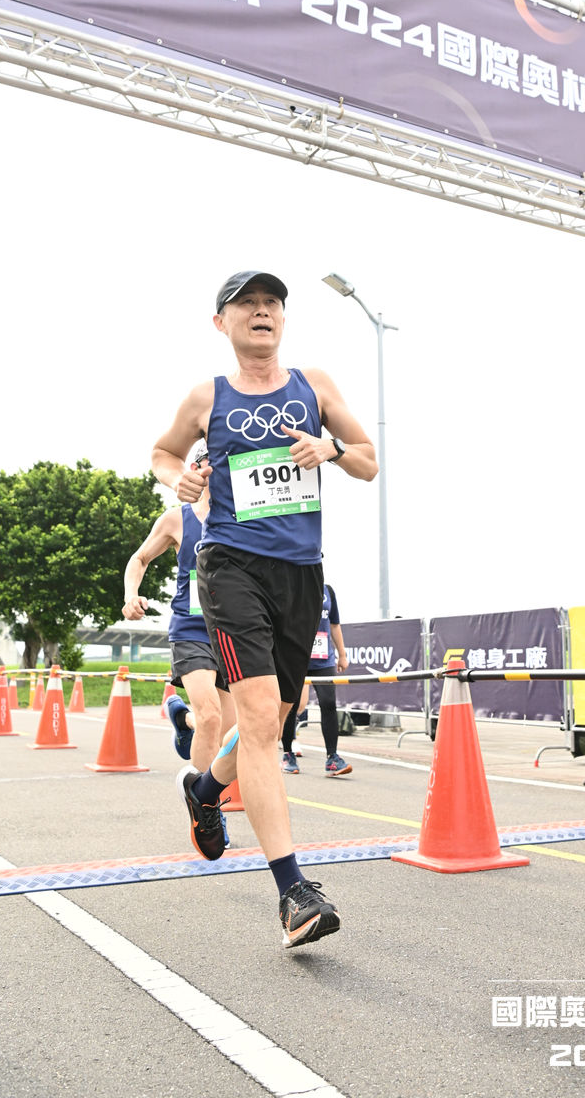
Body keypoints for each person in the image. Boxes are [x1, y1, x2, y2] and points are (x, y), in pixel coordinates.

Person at [151, 270, 377, 949]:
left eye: (271, 302)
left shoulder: (315, 386)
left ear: (282, 318)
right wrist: (179, 477)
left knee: (275, 721)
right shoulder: (207, 397)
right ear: (221, 322)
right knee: (254, 720)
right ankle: (293, 892)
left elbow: (369, 461)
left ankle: (204, 790)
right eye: (246, 303)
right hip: (231, 568)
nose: (261, 311)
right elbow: (162, 453)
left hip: (301, 574)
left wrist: (331, 449)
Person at [121, 465, 237, 787]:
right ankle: (204, 803)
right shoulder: (177, 519)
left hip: (232, 631)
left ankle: (184, 720)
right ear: (198, 469)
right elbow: (140, 558)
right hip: (191, 629)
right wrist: (131, 595)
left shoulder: (244, 518)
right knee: (210, 716)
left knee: (229, 732)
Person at [281, 582, 352, 777]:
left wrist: (342, 654)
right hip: (296, 658)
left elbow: (334, 624)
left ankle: (332, 758)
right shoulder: (292, 584)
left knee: (328, 703)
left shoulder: (328, 591)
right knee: (291, 705)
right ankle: (288, 754)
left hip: (323, 660)